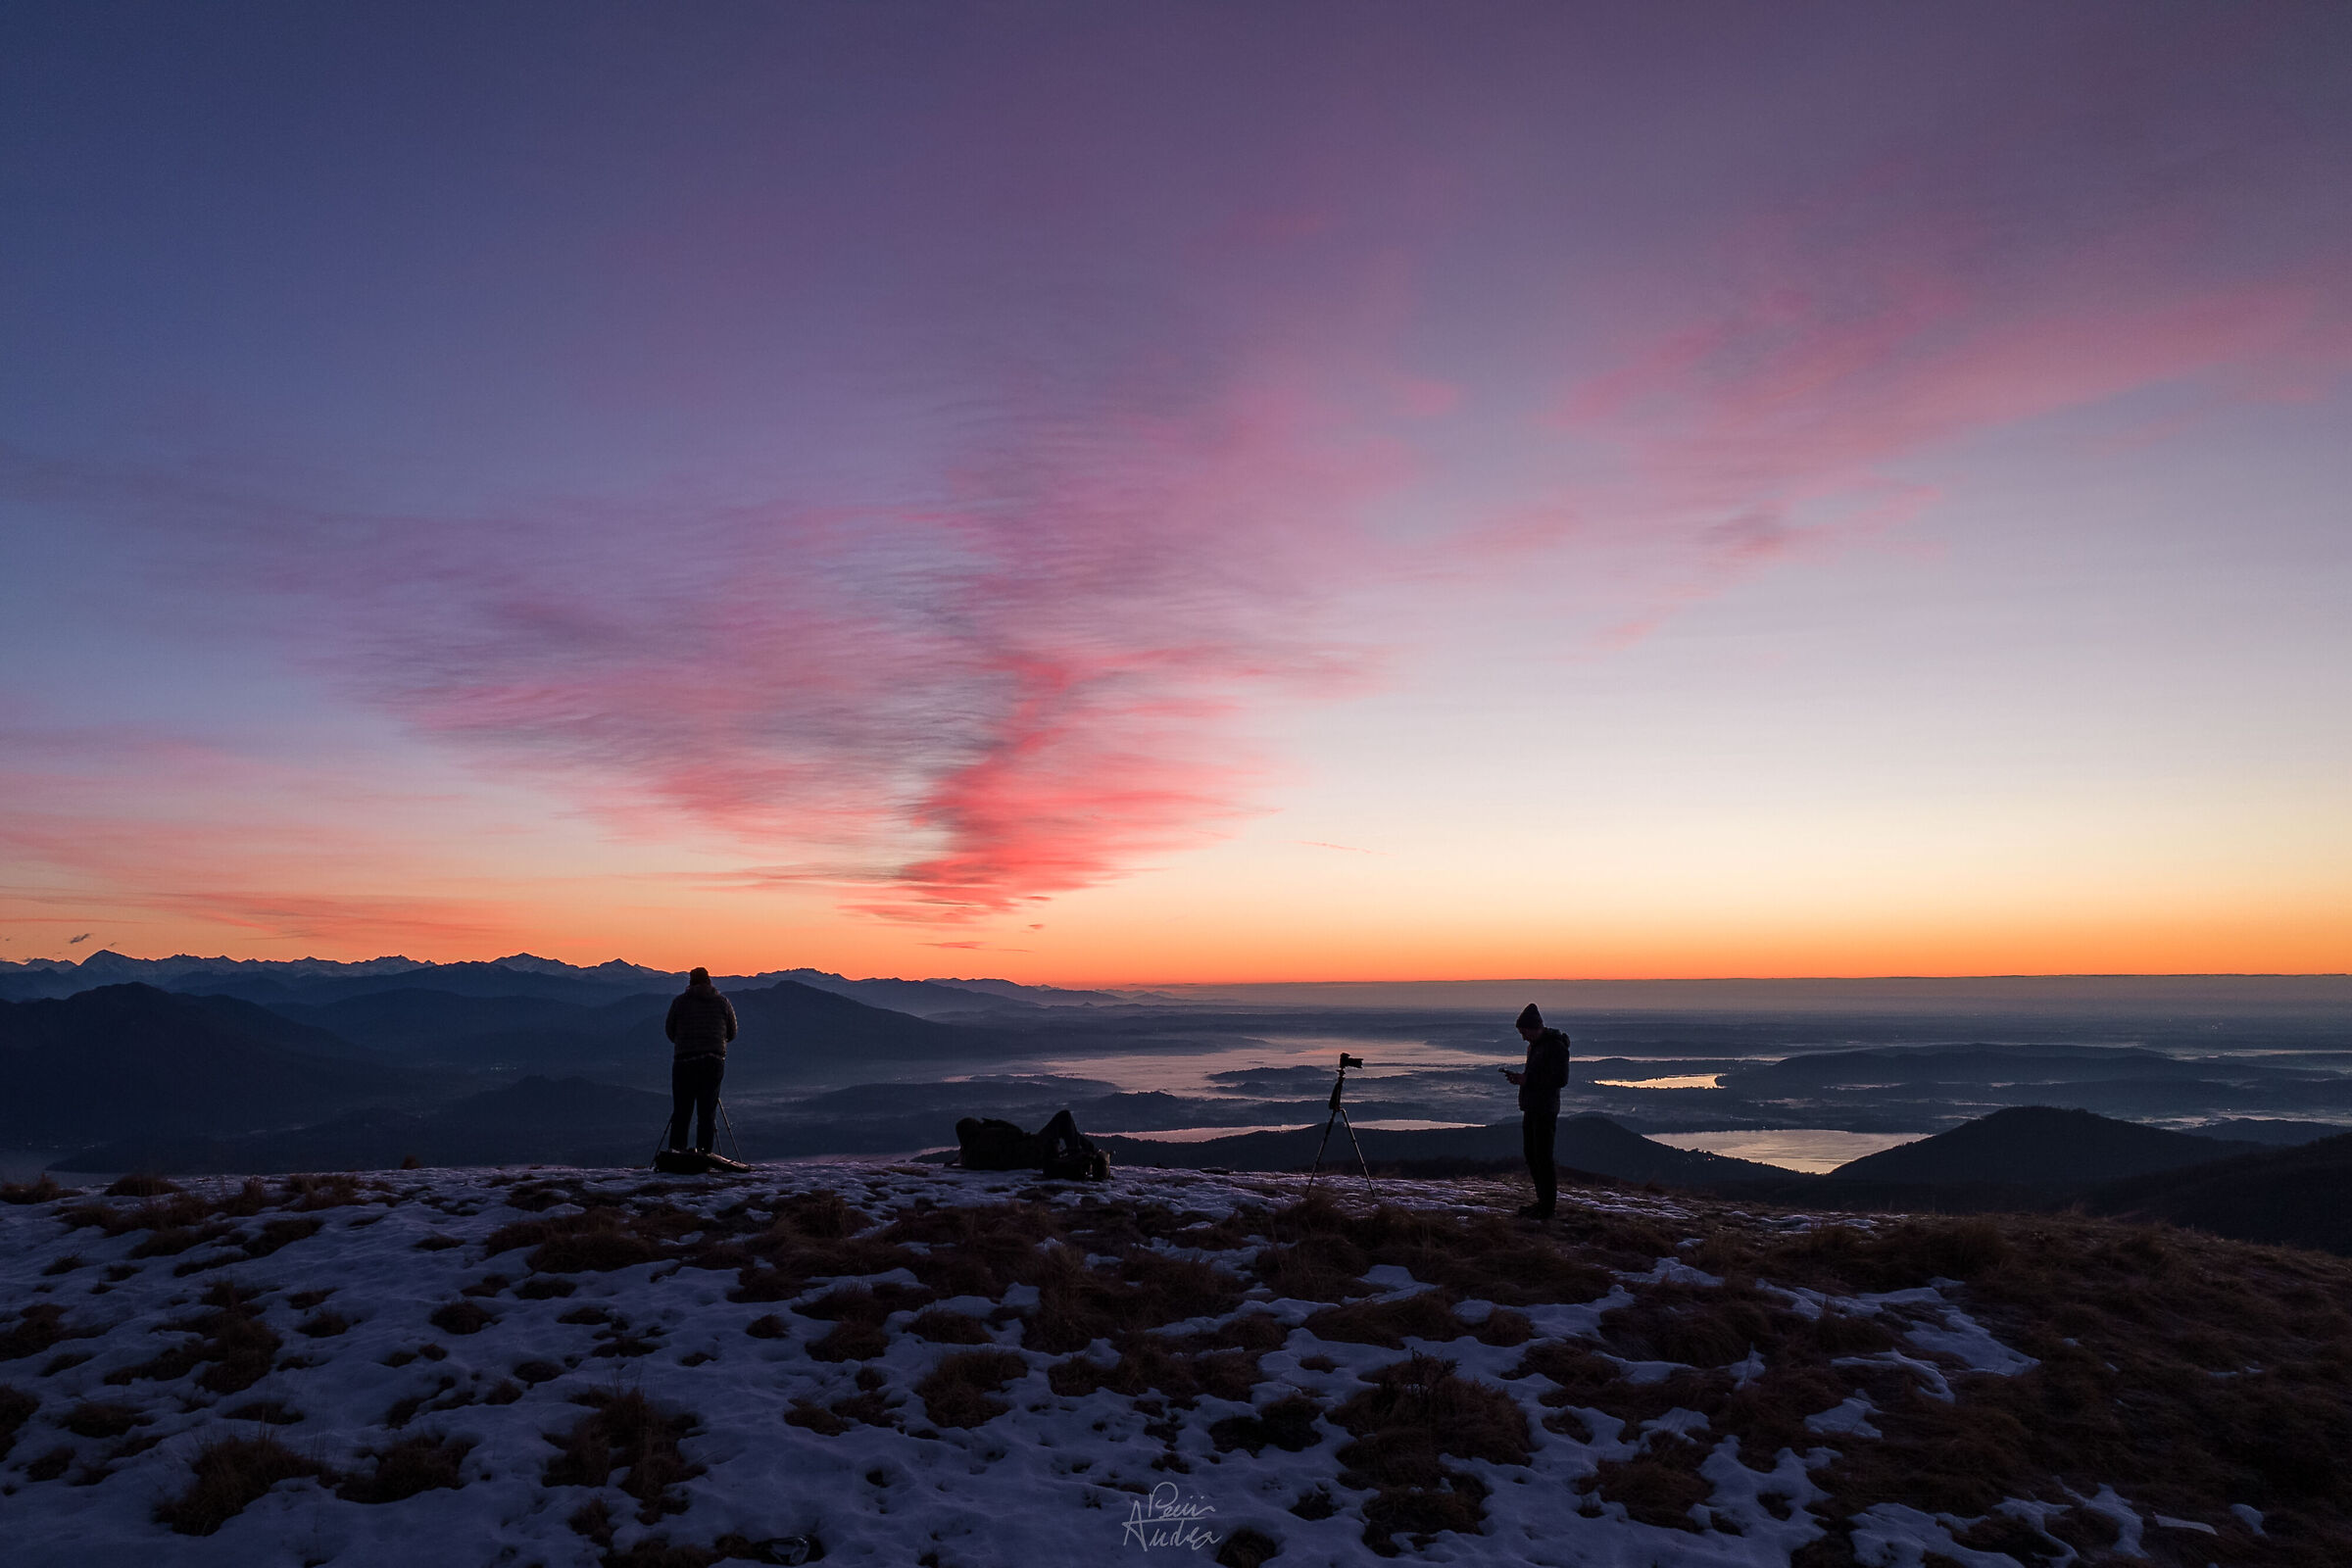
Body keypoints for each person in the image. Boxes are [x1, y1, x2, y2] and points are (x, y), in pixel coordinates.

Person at [1499, 1002, 1570, 1219]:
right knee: (1532, 1155)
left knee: (1543, 1158)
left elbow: (1560, 1079)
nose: (1523, 1037)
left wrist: (1526, 1080)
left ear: (1534, 1027)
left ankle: (1547, 1208)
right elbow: (1541, 1077)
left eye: (1524, 1032)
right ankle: (1542, 1203)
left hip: (1545, 1110)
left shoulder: (1555, 1047)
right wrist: (1522, 1081)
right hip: (1533, 1107)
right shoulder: (1537, 1047)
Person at [664, 966, 738, 1154]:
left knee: (682, 1111)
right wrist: (716, 1042)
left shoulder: (679, 1003)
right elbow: (732, 1032)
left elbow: (670, 1031)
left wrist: (685, 1043)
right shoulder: (723, 1003)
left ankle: (676, 1154)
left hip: (684, 1061)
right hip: (713, 1061)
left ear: (690, 982)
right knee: (706, 1113)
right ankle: (704, 1154)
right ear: (709, 981)